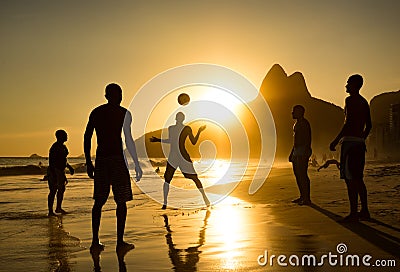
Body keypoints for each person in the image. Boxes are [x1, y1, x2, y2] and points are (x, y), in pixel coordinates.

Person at [84, 83, 143, 254]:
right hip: (117, 159)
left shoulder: (97, 112)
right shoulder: (124, 113)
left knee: (101, 201)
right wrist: (136, 163)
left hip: (102, 159)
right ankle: (118, 242)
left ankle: (97, 241)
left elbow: (87, 137)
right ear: (112, 96)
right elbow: (129, 140)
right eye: (119, 94)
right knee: (120, 201)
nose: (121, 97)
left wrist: (89, 161)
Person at [330, 74, 372, 222]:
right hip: (359, 144)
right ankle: (365, 210)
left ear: (355, 85)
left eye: (348, 83)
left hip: (349, 144)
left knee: (349, 179)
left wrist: (336, 141)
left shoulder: (350, 100)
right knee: (358, 178)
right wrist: (361, 139)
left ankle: (354, 212)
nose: (346, 85)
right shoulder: (364, 102)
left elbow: (348, 123)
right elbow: (369, 126)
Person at [150, 112, 210, 209]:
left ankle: (205, 198)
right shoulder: (175, 128)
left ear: (177, 118)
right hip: (177, 156)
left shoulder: (180, 128)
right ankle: (165, 203)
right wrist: (158, 140)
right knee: (169, 179)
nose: (179, 119)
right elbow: (172, 140)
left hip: (177, 156)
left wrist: (199, 131)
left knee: (190, 178)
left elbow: (192, 142)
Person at [289, 105, 312, 206]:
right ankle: (302, 196)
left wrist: (306, 150)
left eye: (294, 111)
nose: (292, 113)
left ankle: (307, 198)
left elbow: (308, 138)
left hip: (302, 150)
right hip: (297, 150)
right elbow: (295, 140)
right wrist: (292, 152)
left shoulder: (304, 123)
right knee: (297, 174)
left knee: (302, 174)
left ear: (300, 112)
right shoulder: (296, 123)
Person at [47, 129, 74, 216]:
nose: (67, 136)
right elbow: (52, 161)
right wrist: (53, 173)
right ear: (60, 136)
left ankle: (58, 207)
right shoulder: (55, 147)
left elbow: (64, 160)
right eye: (65, 135)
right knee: (53, 190)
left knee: (61, 189)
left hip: (61, 171)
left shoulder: (63, 147)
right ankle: (50, 211)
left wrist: (69, 167)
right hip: (54, 170)